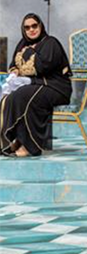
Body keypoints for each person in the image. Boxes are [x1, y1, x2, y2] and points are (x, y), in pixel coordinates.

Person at [1, 14, 72, 157]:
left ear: (40, 26)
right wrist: (15, 72)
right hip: (34, 85)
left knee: (21, 96)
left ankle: (30, 145)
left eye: (34, 26)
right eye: (27, 27)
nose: (31, 30)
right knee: (8, 97)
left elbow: (43, 67)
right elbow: (13, 65)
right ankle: (14, 140)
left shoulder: (51, 43)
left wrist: (29, 52)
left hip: (55, 87)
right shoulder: (22, 44)